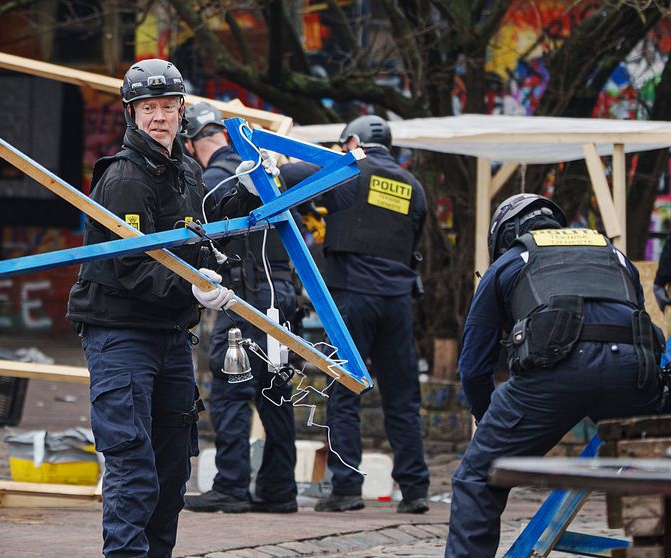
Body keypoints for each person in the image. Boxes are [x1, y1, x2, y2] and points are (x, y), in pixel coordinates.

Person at [66, 59, 260, 558]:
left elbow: (198, 237)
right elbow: (132, 266)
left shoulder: (188, 171)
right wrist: (191, 289)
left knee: (173, 468)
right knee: (133, 467)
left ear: (180, 112)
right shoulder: (124, 178)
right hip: (120, 334)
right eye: (148, 108)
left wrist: (242, 203)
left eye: (168, 107)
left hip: (171, 335)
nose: (159, 117)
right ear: (132, 114)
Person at [445, 193, 662, 557]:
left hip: (554, 376)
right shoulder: (615, 256)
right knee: (653, 468)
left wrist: (490, 425)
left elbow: (473, 366)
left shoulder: (509, 262)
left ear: (504, 235)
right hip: (632, 372)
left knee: (477, 477)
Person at [180, 102, 300, 514]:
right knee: (276, 392)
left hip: (243, 301)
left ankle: (232, 486)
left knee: (231, 393)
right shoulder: (267, 174)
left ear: (193, 143)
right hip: (282, 299)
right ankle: (280, 490)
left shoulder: (212, 181)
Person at [312, 115, 431, 514]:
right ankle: (415, 491)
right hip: (397, 302)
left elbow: (292, 173)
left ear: (350, 142)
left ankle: (346, 488)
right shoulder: (412, 186)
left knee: (345, 393)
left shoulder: (347, 173)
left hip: (353, 299)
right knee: (402, 399)